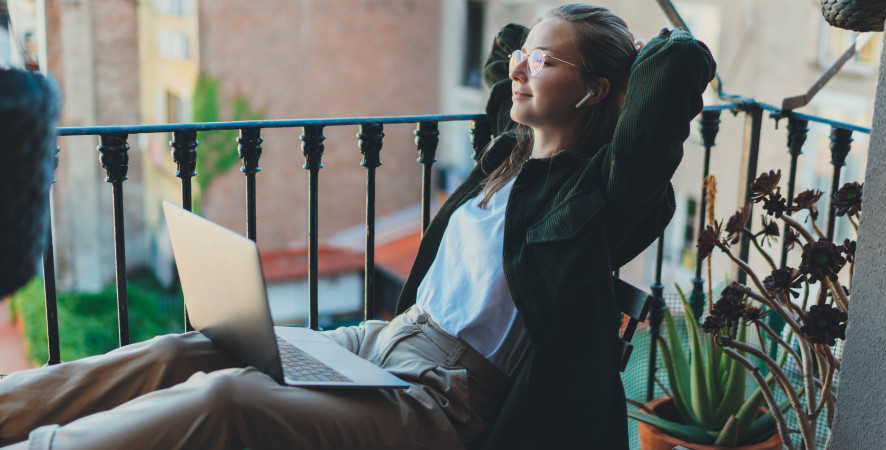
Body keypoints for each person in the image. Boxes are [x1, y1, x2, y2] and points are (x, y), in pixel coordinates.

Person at [0, 4, 715, 449]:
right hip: (380, 342)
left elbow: (677, 66)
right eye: (528, 56)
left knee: (230, 399)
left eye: (547, 59)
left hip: (446, 403)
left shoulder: (611, 199)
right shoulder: (509, 153)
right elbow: (504, 47)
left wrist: (641, 50)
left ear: (597, 91)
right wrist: (540, 48)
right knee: (197, 350)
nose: (521, 69)